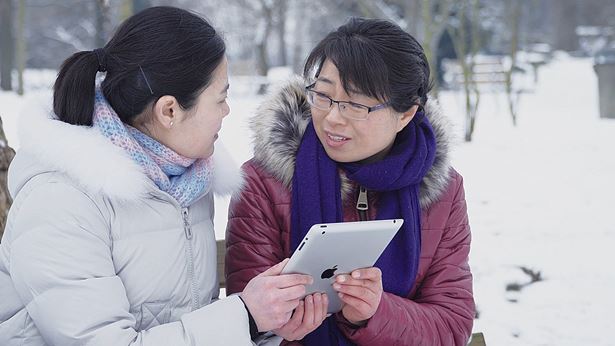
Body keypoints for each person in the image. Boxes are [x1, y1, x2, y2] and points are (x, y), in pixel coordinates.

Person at [0, 6, 312, 345]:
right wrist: (245, 317)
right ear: (169, 111)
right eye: (220, 98)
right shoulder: (61, 202)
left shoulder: (186, 180)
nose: (227, 110)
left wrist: (262, 328)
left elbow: (191, 322)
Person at [226, 17, 475, 345]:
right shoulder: (263, 183)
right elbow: (246, 318)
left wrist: (376, 312)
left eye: (356, 105)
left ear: (405, 115)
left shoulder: (443, 190)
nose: (332, 118)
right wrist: (274, 326)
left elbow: (451, 326)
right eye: (324, 96)